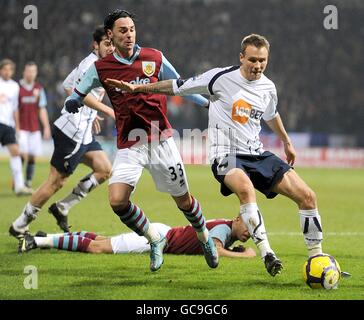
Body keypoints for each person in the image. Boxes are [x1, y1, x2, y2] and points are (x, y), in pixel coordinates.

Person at [105, 34, 325, 277]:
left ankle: (317, 258)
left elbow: (271, 115)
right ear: (241, 57)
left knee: (307, 196)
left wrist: (287, 141)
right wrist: (139, 87)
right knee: (246, 190)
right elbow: (176, 85)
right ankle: (267, 254)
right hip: (226, 156)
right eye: (252, 59)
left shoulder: (268, 87)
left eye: (263, 60)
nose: (257, 65)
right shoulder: (219, 78)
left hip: (257, 154)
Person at [64, 9, 218, 272]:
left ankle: (204, 237)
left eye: (132, 29)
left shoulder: (154, 58)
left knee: (184, 202)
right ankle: (154, 239)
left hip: (161, 141)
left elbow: (179, 85)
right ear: (110, 35)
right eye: (123, 30)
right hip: (129, 145)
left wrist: (207, 105)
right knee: (117, 200)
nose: (129, 34)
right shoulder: (100, 68)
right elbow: (78, 92)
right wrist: (72, 102)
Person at [9, 26, 115, 239]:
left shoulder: (97, 63)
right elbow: (80, 93)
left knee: (104, 169)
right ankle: (20, 224)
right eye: (106, 43)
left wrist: (90, 113)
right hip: (72, 133)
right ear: (96, 45)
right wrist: (106, 110)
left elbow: (68, 85)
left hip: (83, 133)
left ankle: (63, 208)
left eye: (112, 43)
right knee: (56, 181)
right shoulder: (92, 65)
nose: (111, 48)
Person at [19, 216, 256, 259]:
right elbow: (215, 251)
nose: (249, 231)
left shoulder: (226, 228)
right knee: (96, 248)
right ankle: (37, 241)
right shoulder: (224, 231)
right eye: (248, 225)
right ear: (237, 218)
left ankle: (47, 236)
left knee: (102, 239)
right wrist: (246, 255)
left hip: (162, 232)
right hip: (157, 239)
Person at [0, 59, 33, 196]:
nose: (7, 72)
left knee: (16, 153)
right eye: (5, 69)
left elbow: (15, 109)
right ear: (1, 70)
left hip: (7, 125)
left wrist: (17, 127)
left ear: (13, 71)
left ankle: (19, 186)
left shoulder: (15, 86)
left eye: (10, 69)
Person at [18, 62, 51, 188]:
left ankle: (28, 182)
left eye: (33, 71)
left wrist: (46, 126)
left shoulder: (38, 89)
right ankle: (18, 180)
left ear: (36, 73)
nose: (31, 74)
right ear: (24, 72)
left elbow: (42, 109)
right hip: (21, 128)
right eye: (28, 71)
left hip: (34, 128)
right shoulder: (17, 88)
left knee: (32, 157)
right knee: (22, 154)